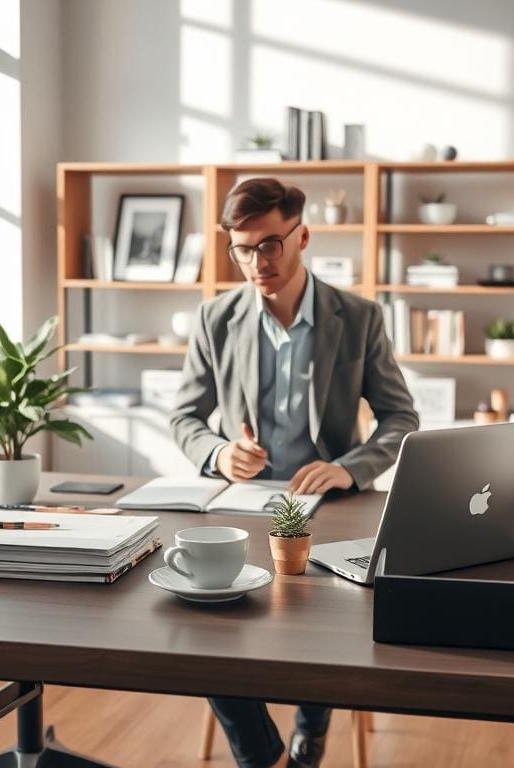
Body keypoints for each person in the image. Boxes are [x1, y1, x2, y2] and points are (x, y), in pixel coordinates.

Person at [170, 177, 418, 768]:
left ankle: (312, 728)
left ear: (302, 234)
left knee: (325, 618)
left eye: (270, 245)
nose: (257, 262)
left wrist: (346, 469)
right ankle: (261, 755)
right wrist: (217, 452)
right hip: (242, 505)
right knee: (206, 618)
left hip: (330, 509)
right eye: (242, 248)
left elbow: (400, 418)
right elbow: (183, 416)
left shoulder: (358, 317)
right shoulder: (214, 319)